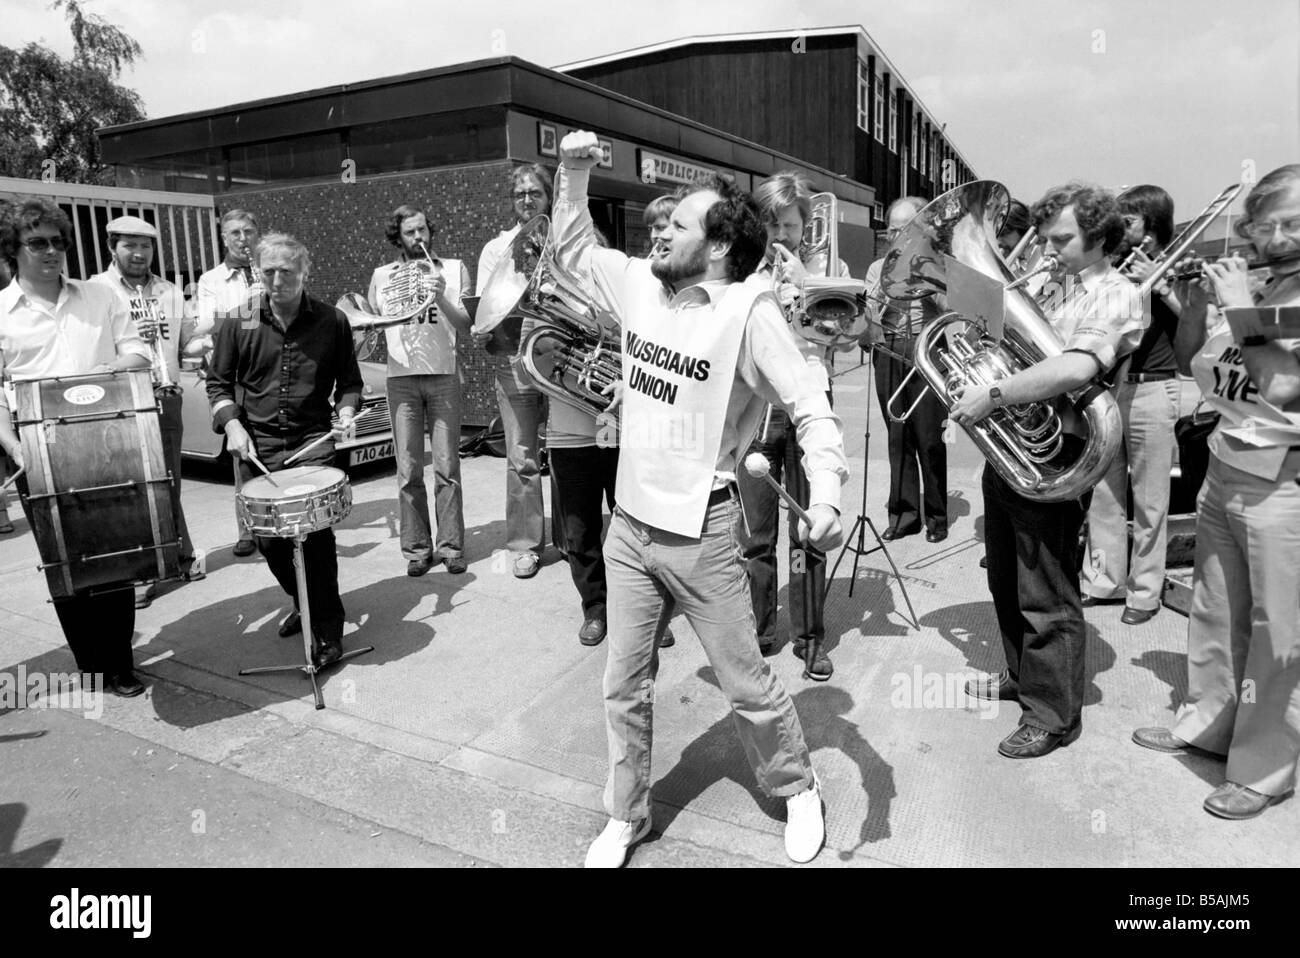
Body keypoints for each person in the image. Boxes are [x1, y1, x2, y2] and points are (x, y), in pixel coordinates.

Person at [552, 130, 847, 867]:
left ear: (716, 247)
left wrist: (831, 495)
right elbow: (572, 250)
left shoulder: (750, 312)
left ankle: (799, 786)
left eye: (678, 224)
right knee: (623, 684)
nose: (661, 231)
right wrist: (572, 171)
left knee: (747, 687)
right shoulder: (643, 284)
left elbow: (810, 406)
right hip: (629, 530)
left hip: (706, 530)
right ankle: (626, 815)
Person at [1133, 164, 1300, 819]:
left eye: (1283, 225)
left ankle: (1265, 767)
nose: (1265, 237)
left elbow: (1284, 385)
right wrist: (1198, 305)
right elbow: (1192, 360)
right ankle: (1209, 723)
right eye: (1261, 224)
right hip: (1229, 466)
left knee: (1278, 631)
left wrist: (1238, 303)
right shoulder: (1258, 283)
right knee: (1216, 609)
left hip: (1285, 480)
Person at [954, 182, 1143, 759]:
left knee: (1046, 588)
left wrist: (994, 391)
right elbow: (993, 339)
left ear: (1100, 236)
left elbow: (1076, 368)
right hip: (1011, 446)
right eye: (1045, 236)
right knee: (1006, 577)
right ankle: (1022, 675)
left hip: (1058, 450)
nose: (1048, 247)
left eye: (1061, 238)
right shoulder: (1042, 283)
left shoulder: (1117, 294)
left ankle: (1053, 713)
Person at [0, 198, 151, 695]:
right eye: (38, 242)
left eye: (58, 241)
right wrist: (15, 446)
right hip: (36, 449)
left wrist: (109, 370)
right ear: (12, 250)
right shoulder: (1, 314)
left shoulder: (98, 297)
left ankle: (121, 661)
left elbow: (137, 351)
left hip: (106, 437)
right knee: (64, 561)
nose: (51, 251)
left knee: (118, 551)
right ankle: (92, 663)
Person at [207, 233, 363, 667]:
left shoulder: (332, 320)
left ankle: (328, 631)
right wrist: (232, 424)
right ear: (259, 272)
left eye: (287, 272)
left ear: (305, 272)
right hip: (256, 446)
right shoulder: (238, 320)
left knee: (314, 539)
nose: (277, 281)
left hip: (312, 445)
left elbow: (350, 384)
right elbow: (217, 384)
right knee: (270, 541)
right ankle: (304, 600)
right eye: (268, 272)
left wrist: (347, 413)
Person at [738, 170, 852, 681]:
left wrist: (808, 288)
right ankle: (762, 629)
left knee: (808, 531)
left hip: (809, 403)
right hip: (759, 408)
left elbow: (853, 335)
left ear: (806, 225)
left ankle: (809, 639)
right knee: (757, 533)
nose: (781, 235)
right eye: (773, 224)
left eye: (790, 224)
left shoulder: (830, 268)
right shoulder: (741, 272)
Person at [90, 216, 208, 609]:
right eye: (129, 246)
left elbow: (189, 340)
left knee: (168, 480)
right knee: (132, 489)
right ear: (112, 247)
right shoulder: (94, 290)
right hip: (122, 400)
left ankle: (179, 557)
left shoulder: (169, 291)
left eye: (146, 246)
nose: (139, 254)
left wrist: (209, 343)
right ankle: (138, 572)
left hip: (165, 394)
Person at [1081, 186, 1182, 625]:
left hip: (1155, 388)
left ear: (1154, 224)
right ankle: (1105, 581)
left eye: (1131, 219)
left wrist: (1159, 280)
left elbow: (1200, 319)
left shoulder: (1179, 264)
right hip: (1113, 386)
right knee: (1104, 493)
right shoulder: (1115, 267)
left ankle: (1144, 593)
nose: (1122, 226)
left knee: (1150, 499)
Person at [368, 204, 471, 577]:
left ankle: (451, 546)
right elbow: (371, 324)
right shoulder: (382, 275)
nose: (418, 238)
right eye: (410, 232)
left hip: (443, 375)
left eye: (423, 230)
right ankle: (416, 549)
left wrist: (441, 294)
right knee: (408, 468)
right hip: (401, 379)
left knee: (447, 467)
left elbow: (466, 324)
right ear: (398, 237)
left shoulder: (454, 269)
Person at [474, 165, 552, 579]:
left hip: (560, 357)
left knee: (575, 452)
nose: (526, 199)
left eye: (534, 193)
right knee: (522, 456)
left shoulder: (564, 238)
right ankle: (524, 543)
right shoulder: (495, 248)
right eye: (519, 193)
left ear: (548, 197)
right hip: (514, 359)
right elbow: (491, 305)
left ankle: (580, 540)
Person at [865, 196, 949, 543]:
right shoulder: (875, 268)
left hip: (928, 350)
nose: (894, 235)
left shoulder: (939, 264)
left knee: (930, 437)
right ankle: (903, 515)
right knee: (897, 437)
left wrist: (926, 278)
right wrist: (880, 295)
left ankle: (937, 516)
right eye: (891, 229)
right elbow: (868, 319)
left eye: (903, 228)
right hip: (889, 347)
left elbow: (952, 310)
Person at [197, 209, 263, 558]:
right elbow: (208, 324)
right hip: (232, 376)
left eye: (248, 232)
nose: (242, 239)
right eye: (235, 233)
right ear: (223, 238)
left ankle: (271, 520)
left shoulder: (268, 273)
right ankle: (247, 529)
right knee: (242, 455)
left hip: (264, 374)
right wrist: (248, 305)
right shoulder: (210, 281)